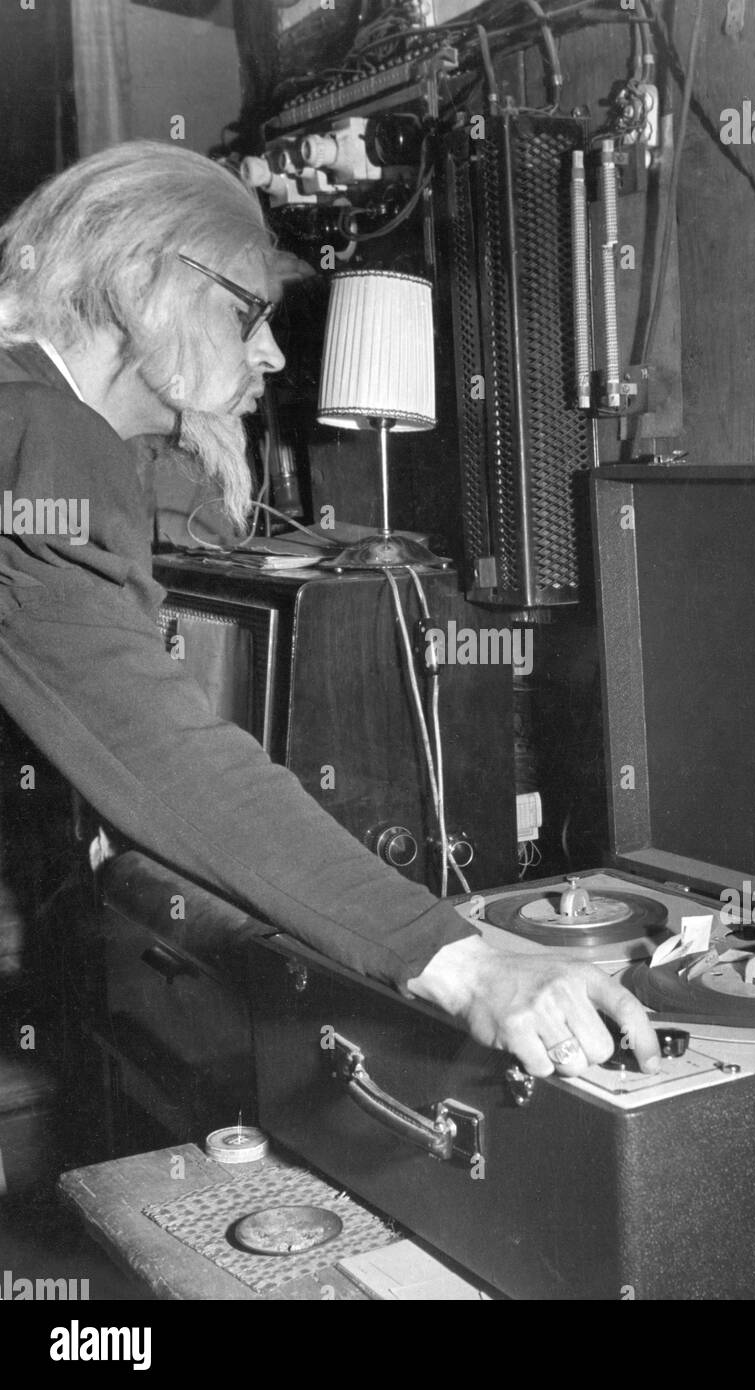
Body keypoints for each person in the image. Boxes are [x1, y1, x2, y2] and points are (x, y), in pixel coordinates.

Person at [0, 140, 659, 1081]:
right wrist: (460, 959)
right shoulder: (42, 435)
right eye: (246, 313)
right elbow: (156, 750)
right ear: (146, 279)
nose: (267, 350)